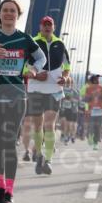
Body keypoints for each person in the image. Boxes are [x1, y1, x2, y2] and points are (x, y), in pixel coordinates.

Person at [0, 0, 46, 203]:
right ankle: (0, 186)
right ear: (0, 13)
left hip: (17, 96)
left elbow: (41, 59)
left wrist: (33, 70)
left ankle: (9, 193)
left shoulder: (24, 38)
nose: (9, 14)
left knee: (10, 142)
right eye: (5, 10)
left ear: (18, 15)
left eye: (13, 11)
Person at [26, 16, 71, 175]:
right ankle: (39, 156)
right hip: (36, 88)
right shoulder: (32, 42)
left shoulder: (60, 43)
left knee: (49, 124)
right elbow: (23, 68)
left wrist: (65, 77)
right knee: (38, 125)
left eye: (49, 24)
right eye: (44, 24)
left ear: (54, 26)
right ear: (40, 26)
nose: (47, 27)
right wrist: (36, 76)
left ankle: (49, 159)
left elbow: (67, 66)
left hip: (54, 89)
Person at [82, 74, 102, 150]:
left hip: (99, 111)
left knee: (98, 127)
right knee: (92, 126)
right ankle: (90, 137)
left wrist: (100, 95)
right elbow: (86, 100)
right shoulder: (88, 89)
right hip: (91, 110)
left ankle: (95, 143)